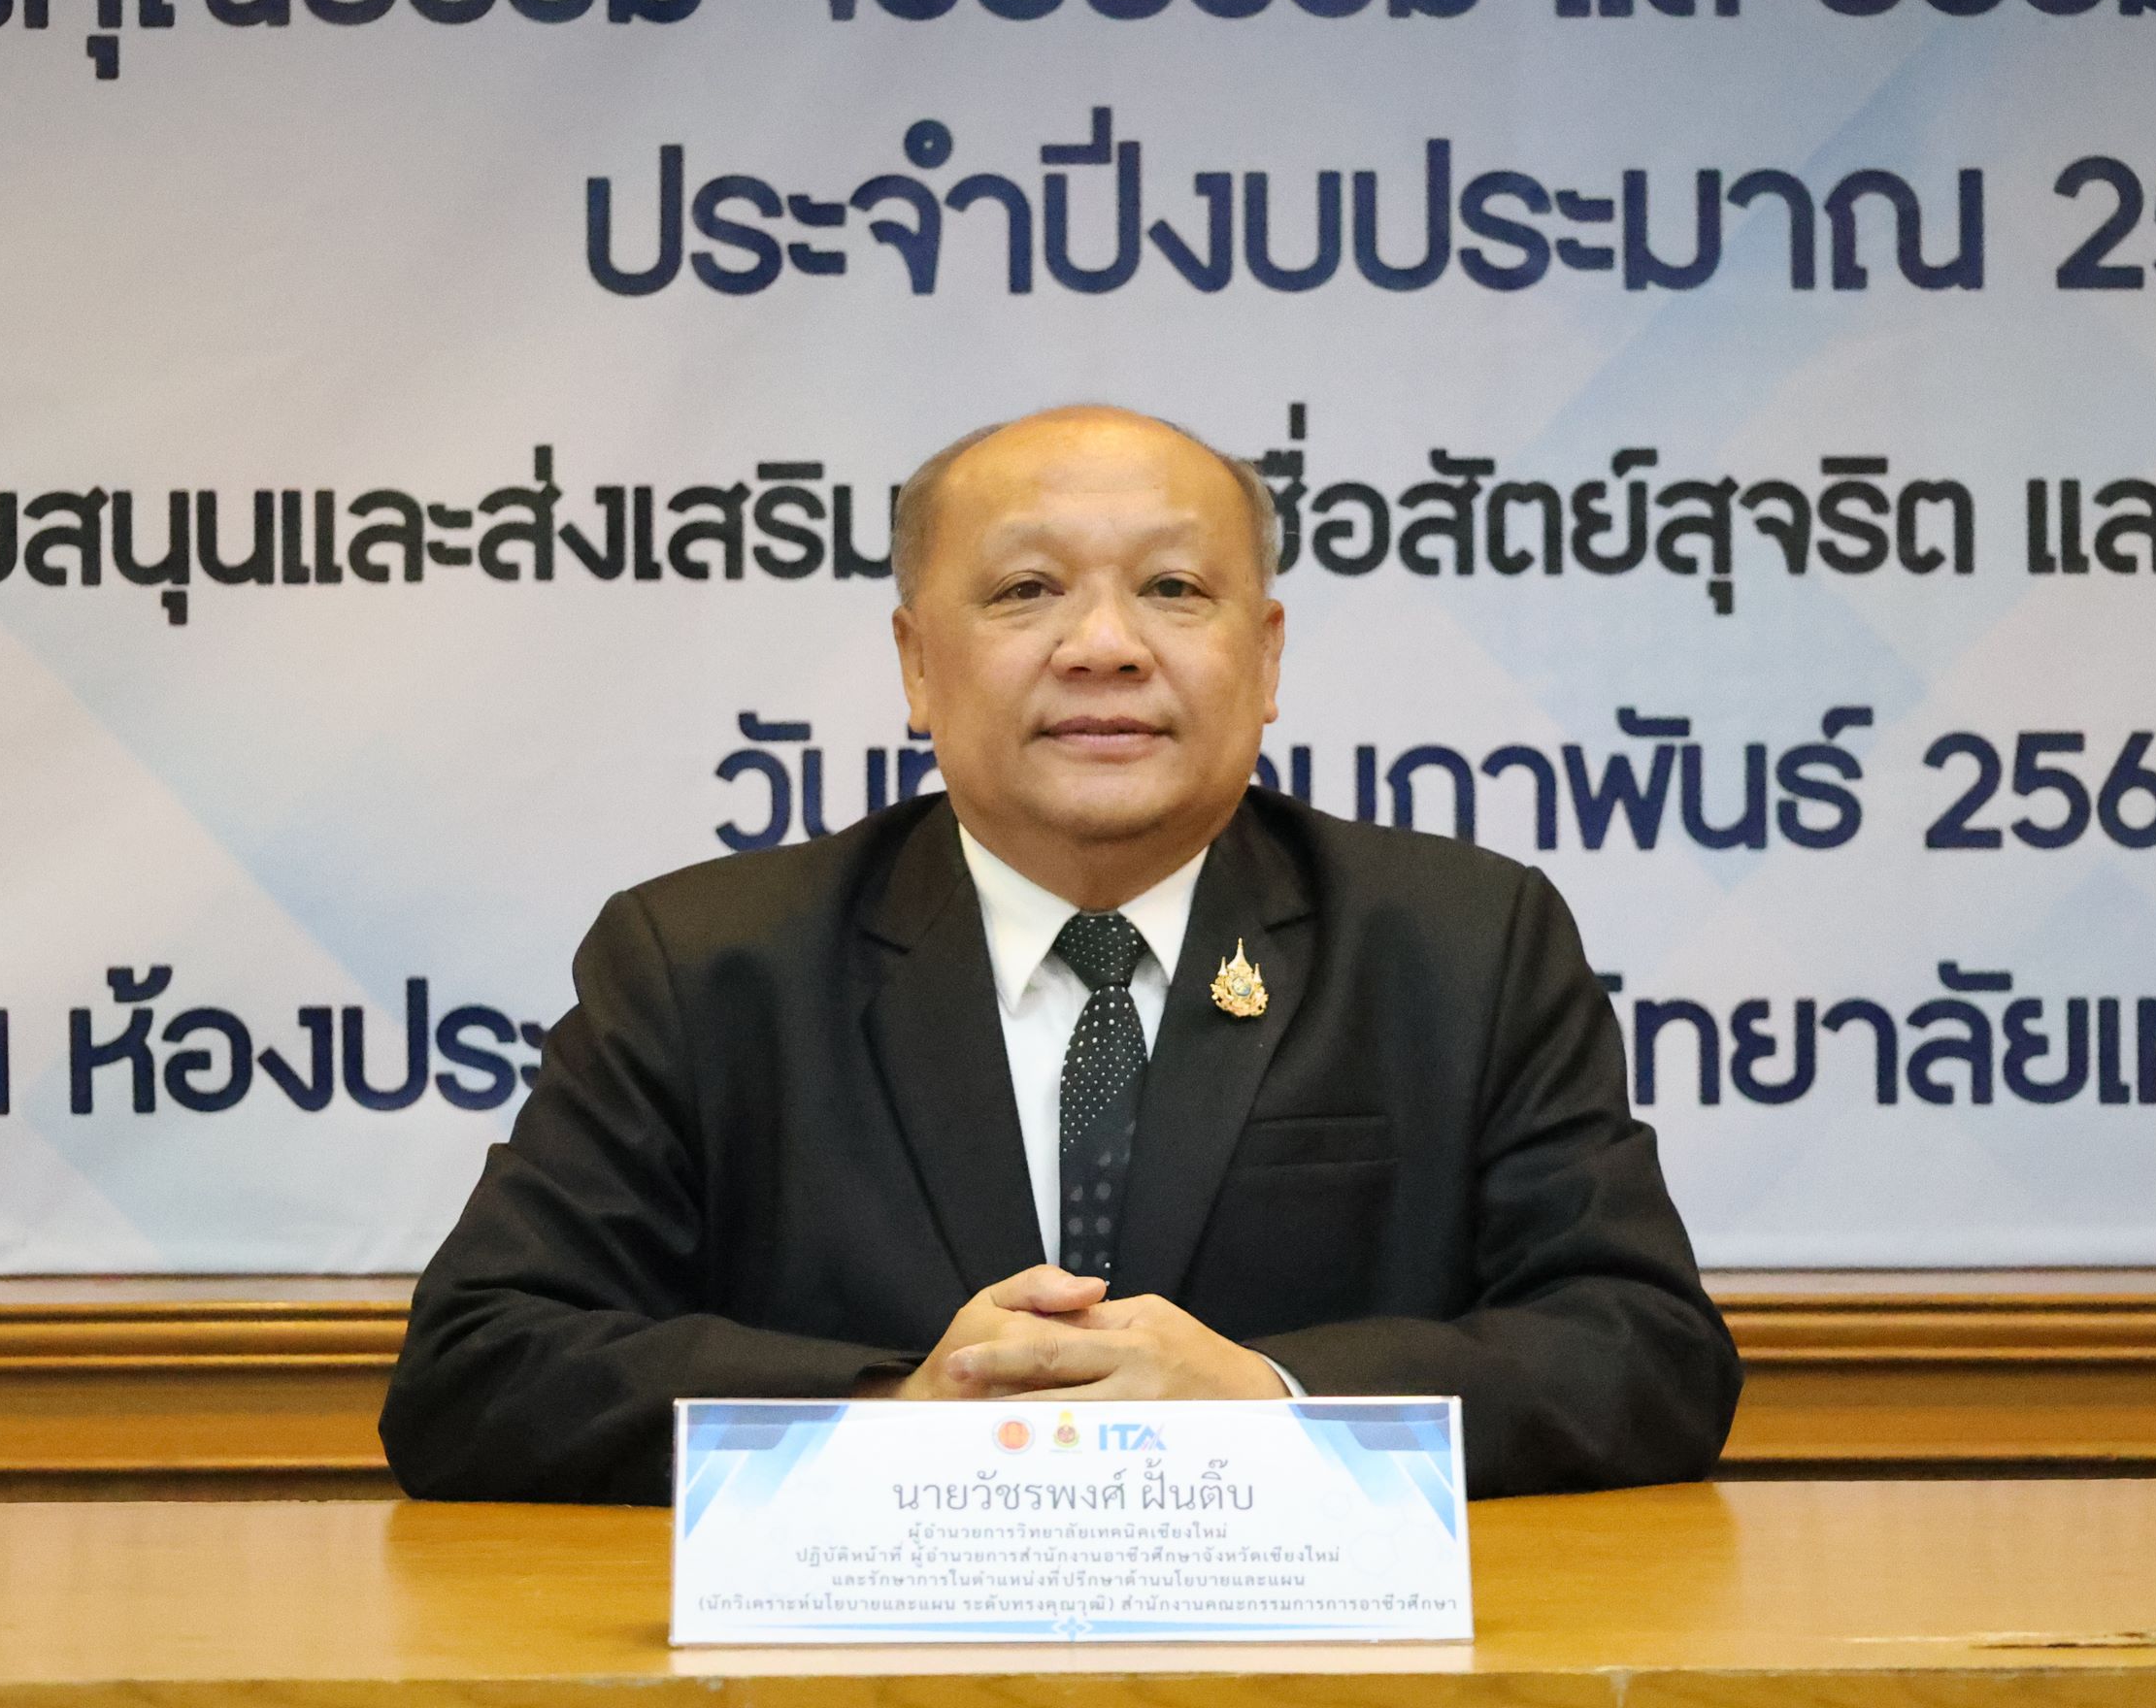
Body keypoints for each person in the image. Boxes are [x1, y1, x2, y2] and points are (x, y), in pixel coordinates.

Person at [381, 405, 1741, 1502]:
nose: (1104, 647)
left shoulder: (1461, 944)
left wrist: (1271, 1401)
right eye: (1027, 590)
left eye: (1173, 588)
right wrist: (898, 1417)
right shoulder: (707, 964)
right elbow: (481, 1369)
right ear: (918, 666)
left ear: (1266, 659)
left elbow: (1645, 1349)